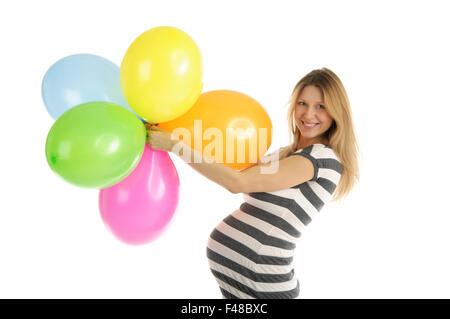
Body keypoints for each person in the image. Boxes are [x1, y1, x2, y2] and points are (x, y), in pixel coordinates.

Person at [146, 67, 360, 299]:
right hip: (244, 285)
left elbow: (237, 182)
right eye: (302, 103)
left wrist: (176, 145)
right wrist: (180, 134)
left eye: (321, 106)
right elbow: (229, 170)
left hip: (264, 286)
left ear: (336, 112)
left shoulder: (319, 158)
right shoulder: (287, 153)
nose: (308, 114)